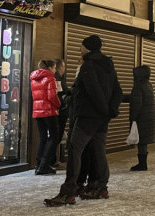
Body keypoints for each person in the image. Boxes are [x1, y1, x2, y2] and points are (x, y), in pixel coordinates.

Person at [45, 35, 122, 206]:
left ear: (87, 47)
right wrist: (110, 111)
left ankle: (69, 191)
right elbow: (118, 90)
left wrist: (102, 110)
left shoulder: (88, 66)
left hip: (88, 117)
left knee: (74, 150)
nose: (80, 48)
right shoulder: (108, 66)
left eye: (82, 45)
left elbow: (94, 91)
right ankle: (100, 186)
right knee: (99, 151)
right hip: (101, 118)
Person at [30, 59, 62, 175]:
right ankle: (44, 165)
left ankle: (38, 165)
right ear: (50, 68)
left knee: (43, 137)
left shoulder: (34, 78)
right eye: (54, 68)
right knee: (53, 137)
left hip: (38, 111)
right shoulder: (50, 78)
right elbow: (52, 96)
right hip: (49, 111)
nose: (55, 70)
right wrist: (59, 104)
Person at [124, 65, 155, 171]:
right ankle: (143, 164)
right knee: (143, 141)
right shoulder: (148, 85)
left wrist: (133, 118)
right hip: (149, 117)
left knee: (141, 141)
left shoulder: (138, 85)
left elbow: (137, 103)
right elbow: (135, 98)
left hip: (142, 118)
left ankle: (142, 165)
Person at [53, 59, 72, 167]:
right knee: (57, 136)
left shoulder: (56, 78)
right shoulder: (57, 79)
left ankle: (54, 159)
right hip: (60, 111)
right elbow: (63, 92)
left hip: (55, 111)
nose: (64, 69)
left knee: (55, 136)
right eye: (63, 67)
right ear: (59, 67)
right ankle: (53, 160)